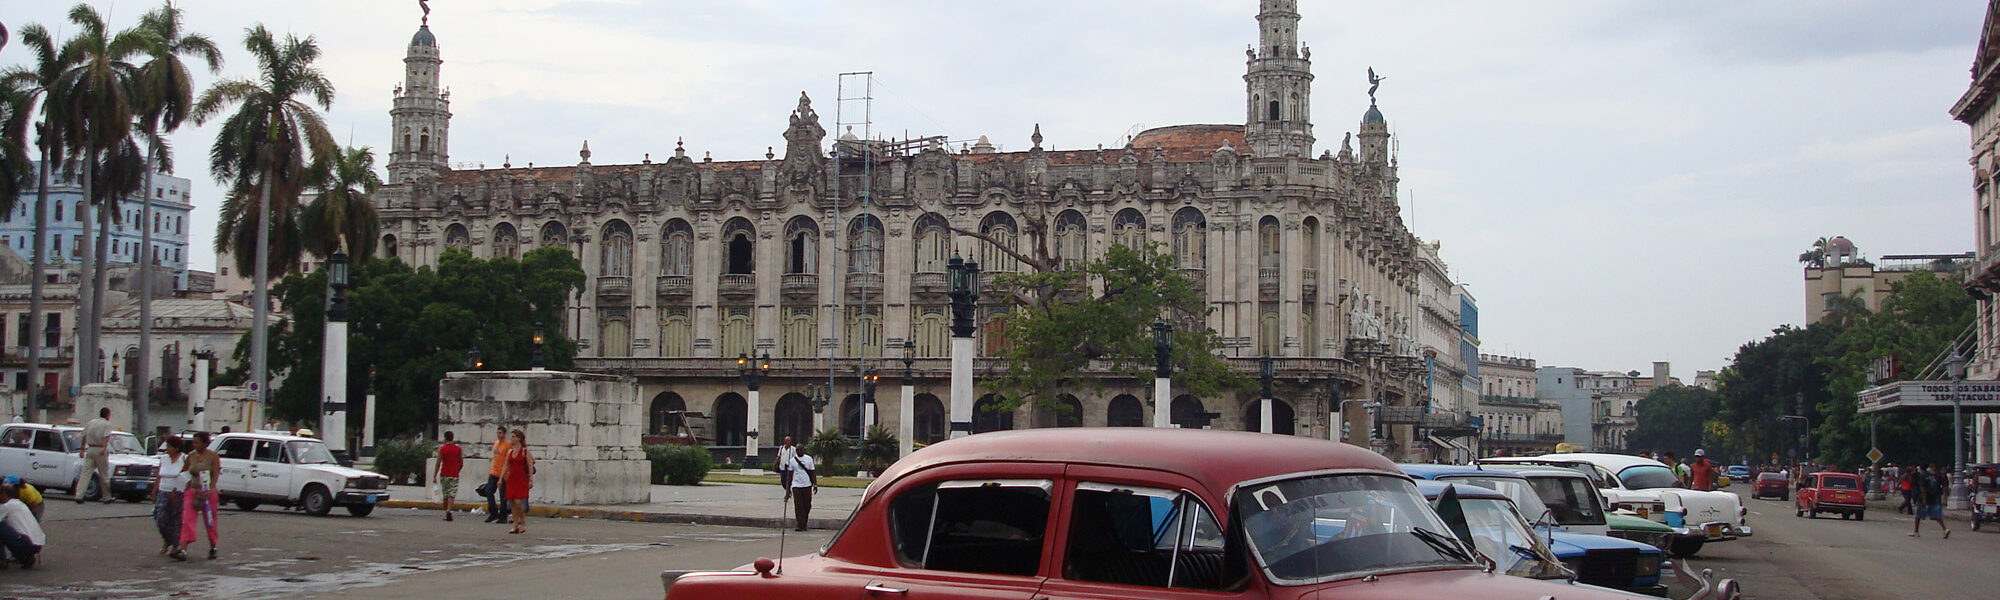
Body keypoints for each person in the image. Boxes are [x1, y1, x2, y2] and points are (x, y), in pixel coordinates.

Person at [181, 432, 222, 560]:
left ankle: (213, 545)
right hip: (193, 490)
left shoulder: (213, 456)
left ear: (205, 443)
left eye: (197, 442)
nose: (195, 445)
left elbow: (215, 473)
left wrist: (211, 487)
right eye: (193, 442)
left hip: (207, 492)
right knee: (187, 519)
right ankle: (183, 548)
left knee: (210, 520)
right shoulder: (190, 456)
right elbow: (184, 472)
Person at [152, 438, 190, 560]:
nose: (167, 449)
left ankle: (175, 544)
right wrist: (154, 490)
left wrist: (176, 489)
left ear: (176, 448)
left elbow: (185, 476)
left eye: (169, 446)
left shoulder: (184, 458)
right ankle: (167, 539)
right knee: (160, 516)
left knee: (176, 519)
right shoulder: (163, 458)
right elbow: (159, 475)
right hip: (163, 490)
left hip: (178, 492)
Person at [498, 429, 535, 535]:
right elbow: (506, 465)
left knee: (518, 501)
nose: (512, 438)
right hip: (511, 478)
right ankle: (515, 524)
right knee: (512, 503)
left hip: (521, 479)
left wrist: (530, 480)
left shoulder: (525, 451)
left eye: (514, 436)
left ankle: (522, 521)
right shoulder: (510, 451)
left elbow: (530, 466)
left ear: (519, 438)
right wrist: (500, 478)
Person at [0, 484, 43, 569]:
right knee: (8, 530)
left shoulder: (6, 506)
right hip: (37, 543)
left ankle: (1, 560)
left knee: (1, 528)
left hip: (26, 543)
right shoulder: (19, 503)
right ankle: (25, 558)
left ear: (3, 495)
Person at [77, 407, 114, 504]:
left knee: (85, 474)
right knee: (104, 475)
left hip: (90, 449)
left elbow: (84, 436)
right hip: (100, 449)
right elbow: (106, 437)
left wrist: (82, 449)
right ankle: (106, 497)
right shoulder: (107, 424)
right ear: (107, 415)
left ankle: (79, 495)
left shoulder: (91, 422)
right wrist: (104, 448)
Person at [483, 425, 512, 523]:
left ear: (504, 434)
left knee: (503, 495)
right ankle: (493, 512)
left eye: (500, 433)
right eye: (497, 433)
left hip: (503, 473)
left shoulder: (508, 445)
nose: (499, 435)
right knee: (488, 491)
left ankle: (503, 515)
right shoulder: (496, 444)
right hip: (494, 471)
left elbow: (509, 460)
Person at [1913, 464, 1951, 538]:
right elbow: (1944, 486)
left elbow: (1922, 487)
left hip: (1925, 497)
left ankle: (1916, 531)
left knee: (1918, 515)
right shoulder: (1939, 476)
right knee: (1937, 515)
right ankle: (1945, 529)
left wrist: (1924, 498)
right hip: (1935, 497)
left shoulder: (1923, 475)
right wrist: (1944, 498)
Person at [434, 431, 464, 522]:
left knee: (445, 494)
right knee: (452, 494)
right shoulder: (458, 449)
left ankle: (446, 509)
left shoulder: (442, 449)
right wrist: (457, 470)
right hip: (454, 474)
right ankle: (449, 509)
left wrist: (435, 475)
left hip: (444, 474)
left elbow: (438, 463)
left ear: (445, 438)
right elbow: (461, 463)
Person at [787, 450, 818, 532]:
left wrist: (815, 484)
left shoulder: (808, 459)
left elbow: (812, 472)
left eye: (801, 450)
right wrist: (788, 490)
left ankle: (804, 522)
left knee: (807, 505)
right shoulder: (792, 461)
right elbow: (790, 476)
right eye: (797, 450)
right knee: (798, 506)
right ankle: (800, 524)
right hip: (796, 486)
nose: (799, 451)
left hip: (807, 485)